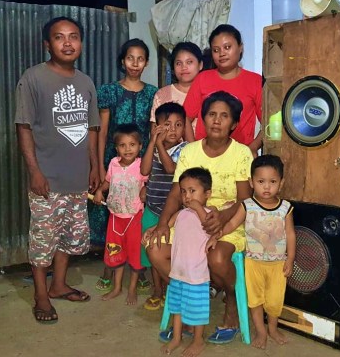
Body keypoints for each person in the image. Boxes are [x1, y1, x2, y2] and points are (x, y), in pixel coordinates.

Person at [147, 91, 253, 344]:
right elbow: (176, 193)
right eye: (212, 114)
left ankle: (231, 306)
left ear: (234, 124)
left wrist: (222, 217)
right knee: (155, 249)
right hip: (189, 223)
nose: (217, 120)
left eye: (224, 116)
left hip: (229, 222)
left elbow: (246, 201)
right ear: (203, 119)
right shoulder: (190, 152)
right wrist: (162, 224)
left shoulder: (242, 154)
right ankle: (193, 294)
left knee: (217, 258)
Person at [15, 16, 98, 324]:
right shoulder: (33, 78)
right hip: (47, 180)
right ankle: (40, 295)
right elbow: (23, 127)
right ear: (46, 44)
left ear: (80, 43)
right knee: (42, 240)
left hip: (77, 179)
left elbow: (91, 129)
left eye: (73, 36)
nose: (67, 42)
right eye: (59, 37)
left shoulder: (86, 82)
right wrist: (34, 171)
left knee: (69, 237)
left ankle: (59, 285)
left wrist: (95, 167)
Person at [92, 38, 158, 293]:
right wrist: (99, 167)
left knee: (137, 216)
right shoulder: (109, 90)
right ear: (122, 61)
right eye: (130, 58)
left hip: (140, 166)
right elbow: (102, 131)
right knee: (112, 217)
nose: (135, 63)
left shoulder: (153, 93)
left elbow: (152, 134)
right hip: (114, 161)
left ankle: (138, 267)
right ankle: (109, 268)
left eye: (140, 58)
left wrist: (150, 175)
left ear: (147, 62)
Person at [221, 154, 296, 349]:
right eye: (261, 181)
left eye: (272, 182)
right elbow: (232, 223)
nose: (267, 187)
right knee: (255, 300)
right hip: (253, 263)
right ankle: (261, 331)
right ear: (251, 182)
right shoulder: (248, 205)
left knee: (274, 301)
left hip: (278, 264)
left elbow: (290, 234)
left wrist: (291, 258)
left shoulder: (285, 208)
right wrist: (218, 234)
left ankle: (272, 328)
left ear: (281, 183)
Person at [183, 24, 263, 157]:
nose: (222, 53)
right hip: (205, 156)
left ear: (240, 47)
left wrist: (252, 148)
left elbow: (270, 122)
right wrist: (194, 149)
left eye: (227, 47)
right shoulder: (202, 79)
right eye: (216, 50)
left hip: (239, 156)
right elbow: (185, 118)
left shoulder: (255, 81)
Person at [160, 167, 213, 356]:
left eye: (193, 191)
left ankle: (199, 341)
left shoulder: (208, 214)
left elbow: (211, 227)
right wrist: (154, 230)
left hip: (196, 275)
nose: (187, 196)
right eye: (183, 191)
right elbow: (166, 226)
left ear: (207, 193)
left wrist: (198, 207)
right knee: (176, 305)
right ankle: (177, 337)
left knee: (197, 310)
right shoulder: (181, 214)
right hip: (178, 272)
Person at [140, 102, 188, 311]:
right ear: (157, 127)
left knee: (167, 250)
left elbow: (171, 170)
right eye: (167, 125)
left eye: (178, 125)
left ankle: (171, 289)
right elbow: (144, 169)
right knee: (150, 248)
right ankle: (157, 290)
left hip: (172, 213)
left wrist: (159, 145)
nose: (172, 130)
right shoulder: (154, 146)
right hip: (151, 208)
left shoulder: (184, 149)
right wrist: (152, 142)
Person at [93, 123, 148, 304]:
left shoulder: (142, 166)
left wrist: (145, 190)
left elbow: (148, 184)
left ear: (140, 146)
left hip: (134, 217)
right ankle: (117, 287)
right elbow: (108, 182)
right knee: (115, 253)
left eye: (132, 144)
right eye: (123, 145)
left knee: (134, 254)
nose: (127, 149)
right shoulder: (113, 164)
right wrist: (101, 191)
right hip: (115, 218)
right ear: (116, 148)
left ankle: (132, 289)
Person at [149, 42, 204, 131]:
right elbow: (155, 132)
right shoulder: (162, 94)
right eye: (179, 63)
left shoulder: (208, 93)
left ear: (200, 65)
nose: (184, 67)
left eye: (189, 62)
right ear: (173, 67)